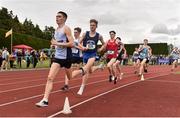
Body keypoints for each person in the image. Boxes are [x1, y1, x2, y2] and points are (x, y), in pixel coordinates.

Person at [36, 11, 74, 107]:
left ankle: (82, 71)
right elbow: (58, 42)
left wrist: (57, 43)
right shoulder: (56, 30)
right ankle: (45, 100)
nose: (57, 18)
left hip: (67, 57)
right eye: (56, 16)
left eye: (59, 16)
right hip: (58, 57)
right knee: (50, 78)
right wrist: (54, 44)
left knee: (70, 77)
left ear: (64, 18)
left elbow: (71, 43)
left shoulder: (66, 29)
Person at [69, 19, 105, 95]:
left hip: (93, 54)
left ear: (96, 26)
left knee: (86, 69)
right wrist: (83, 47)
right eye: (91, 25)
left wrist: (101, 49)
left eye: (93, 25)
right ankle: (99, 67)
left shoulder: (99, 36)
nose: (92, 26)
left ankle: (81, 83)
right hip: (85, 54)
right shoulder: (85, 34)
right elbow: (78, 43)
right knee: (90, 70)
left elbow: (104, 44)